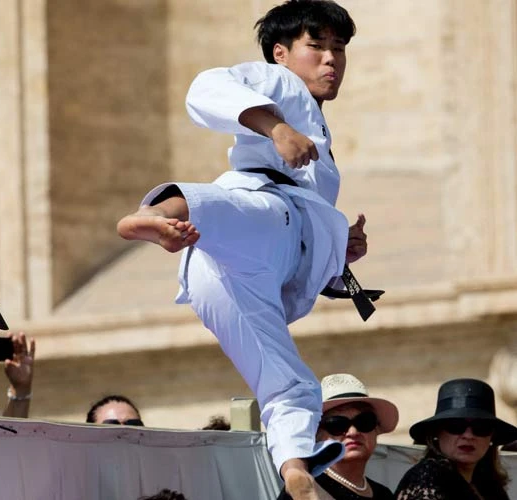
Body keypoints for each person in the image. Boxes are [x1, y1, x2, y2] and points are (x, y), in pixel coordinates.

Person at [116, 2, 365, 498]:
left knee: (293, 385)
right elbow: (205, 88)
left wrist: (340, 253)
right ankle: (158, 214)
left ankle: (294, 464)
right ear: (281, 54)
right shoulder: (280, 85)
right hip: (262, 213)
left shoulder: (319, 135)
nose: (331, 59)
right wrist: (276, 129)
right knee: (238, 210)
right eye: (316, 46)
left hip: (233, 276)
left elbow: (308, 229)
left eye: (339, 49)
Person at [277, 374, 397, 500]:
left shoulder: (384, 494)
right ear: (316, 435)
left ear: (376, 429)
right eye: (337, 425)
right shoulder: (304, 489)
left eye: (364, 422)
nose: (353, 432)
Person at [395, 378, 515, 500]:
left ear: (492, 438)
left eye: (481, 427)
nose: (468, 436)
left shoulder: (492, 488)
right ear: (437, 433)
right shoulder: (428, 476)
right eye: (455, 425)